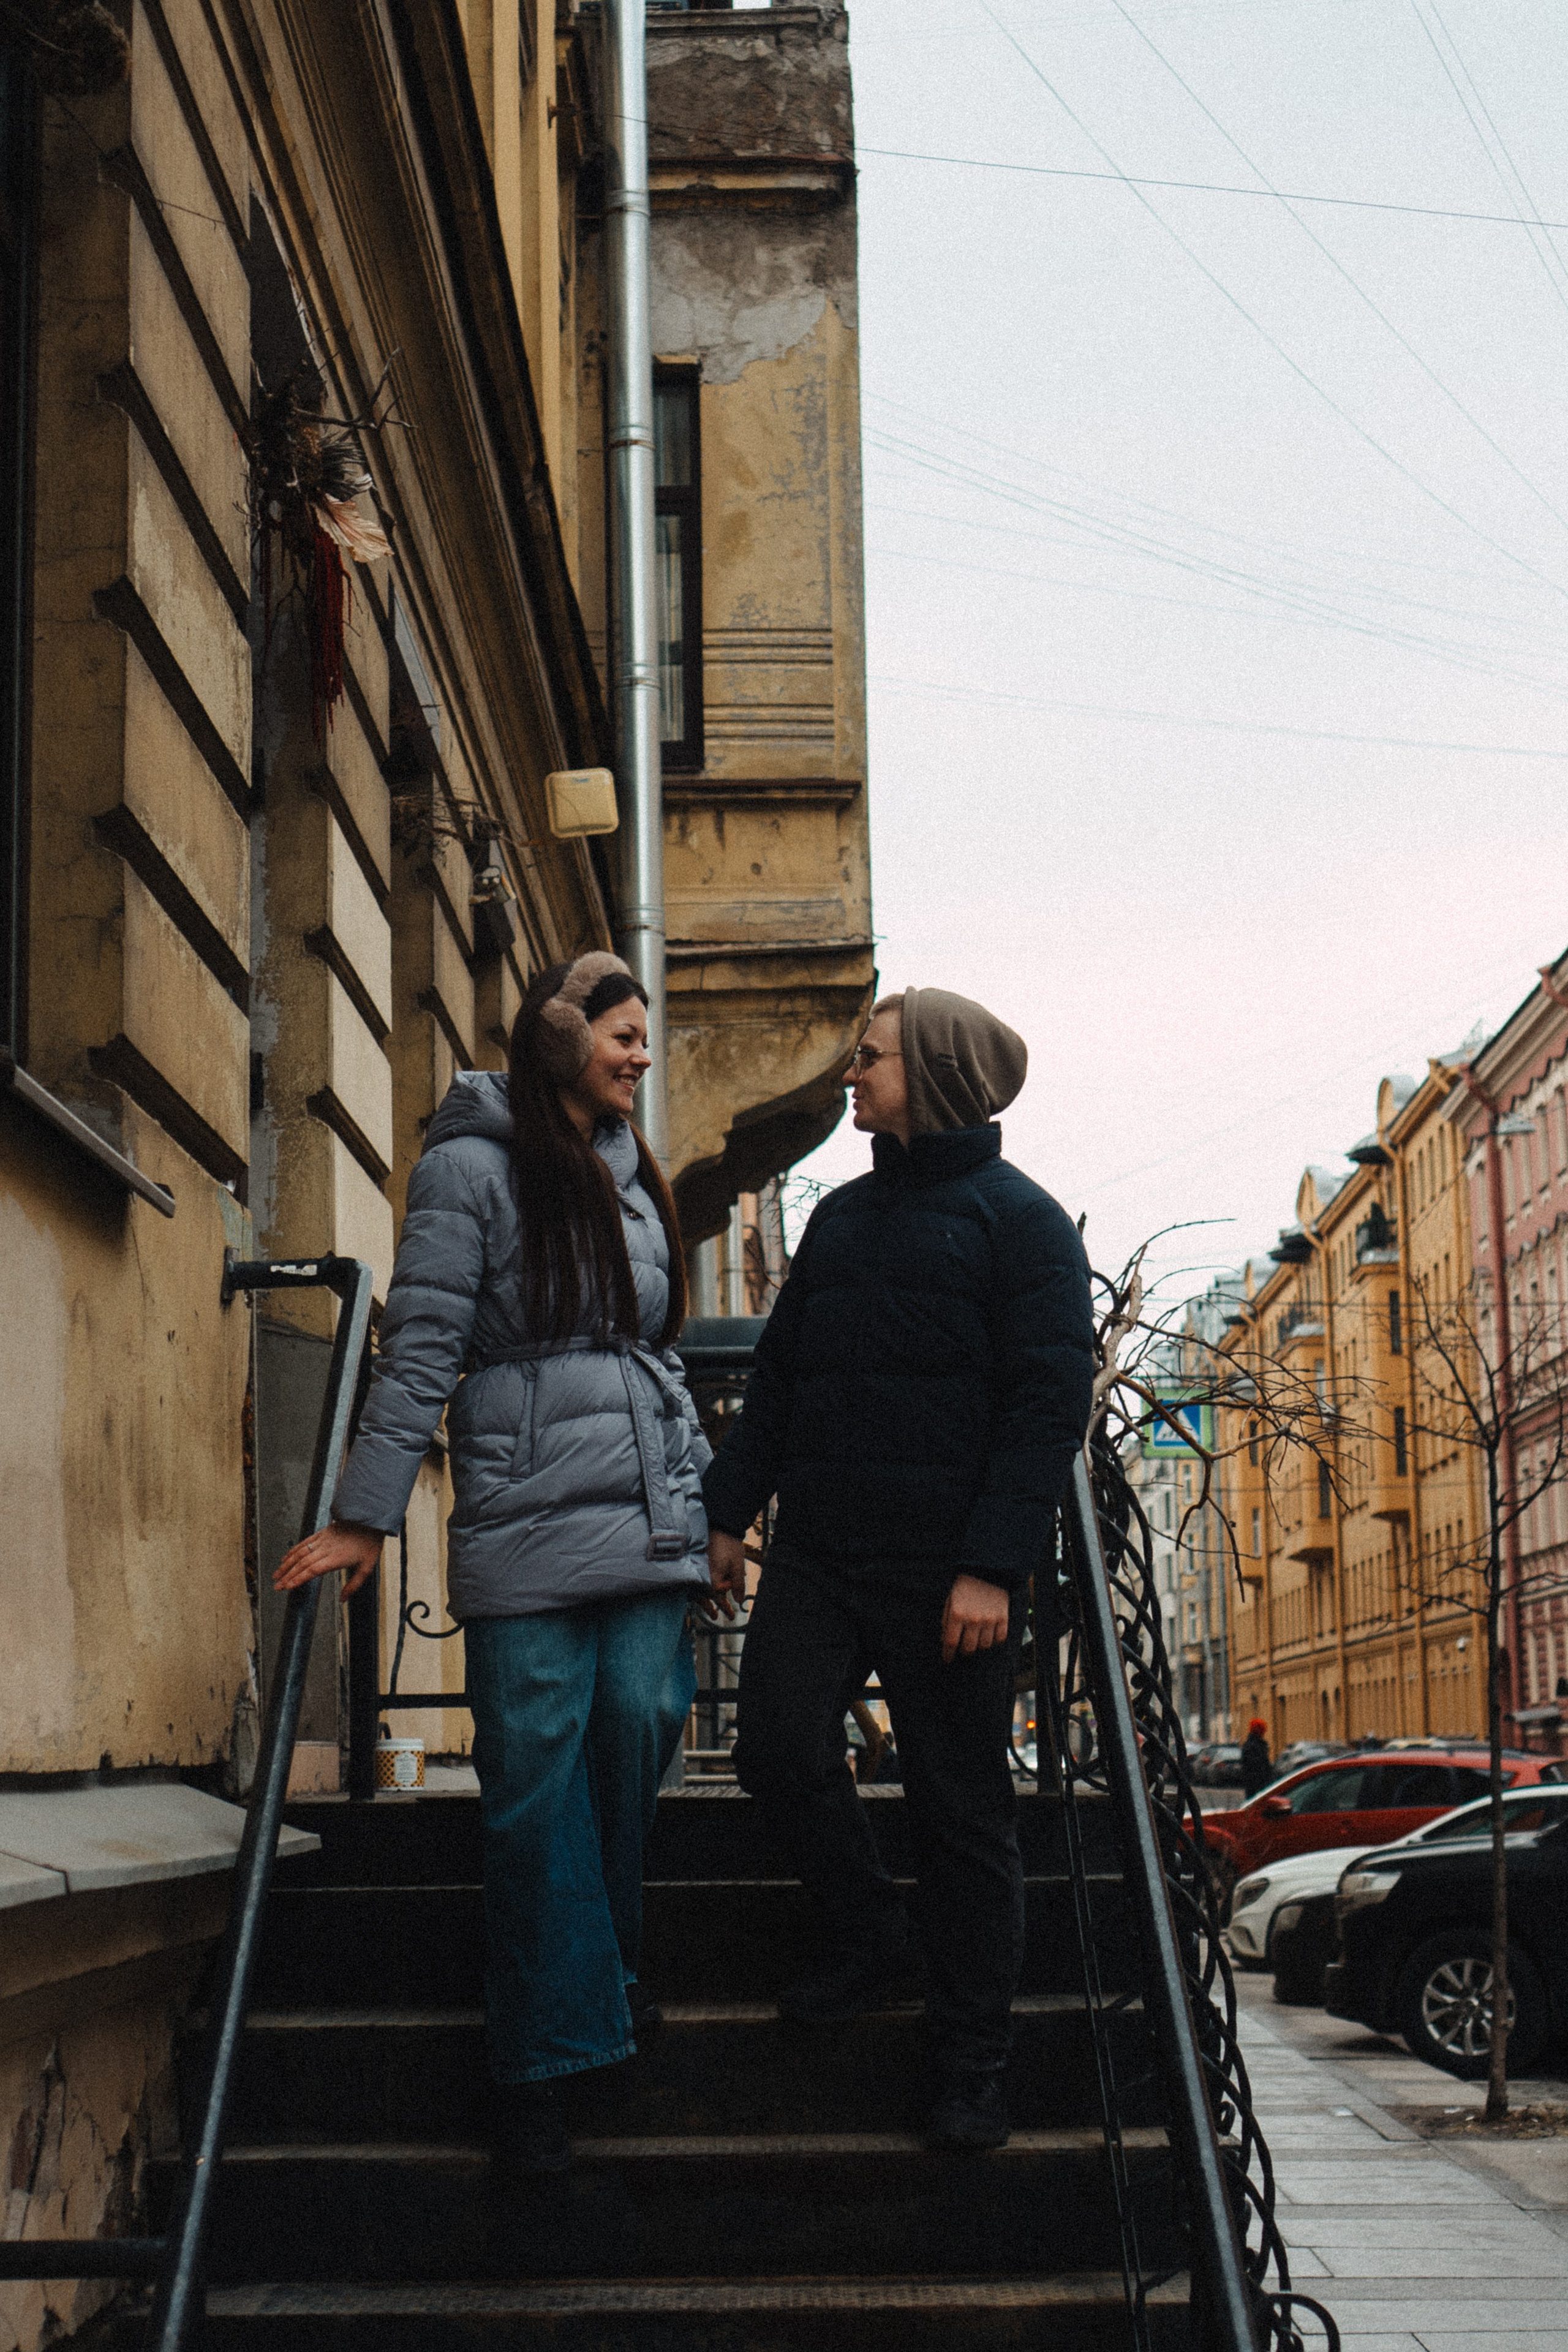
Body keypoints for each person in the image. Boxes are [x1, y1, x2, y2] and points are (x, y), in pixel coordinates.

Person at [273, 952, 744, 2176]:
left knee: (640, 1723)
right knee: (533, 1774)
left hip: (646, 1506)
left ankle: (608, 1975)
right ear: (557, 1038)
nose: (642, 1056)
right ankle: (540, 2057)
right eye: (622, 1035)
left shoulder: (637, 1172)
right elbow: (421, 1348)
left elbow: (658, 1349)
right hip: (525, 1512)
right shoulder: (465, 1168)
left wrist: (715, 1506)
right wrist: (366, 1513)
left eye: (645, 1038)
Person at [703, 987, 1095, 2152]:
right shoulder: (840, 1220)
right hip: (821, 1553)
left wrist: (991, 1566)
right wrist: (728, 1510)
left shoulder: (1021, 1223)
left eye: (867, 1059)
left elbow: (1046, 1406)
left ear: (933, 1073)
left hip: (948, 1579)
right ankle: (871, 1931)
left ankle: (972, 2064)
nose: (849, 1077)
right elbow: (779, 1383)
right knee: (775, 1747)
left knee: (963, 1816)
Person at [1240, 1719, 1273, 1796]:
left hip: (1253, 1784)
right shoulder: (1255, 1746)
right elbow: (1258, 1766)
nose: (1264, 1732)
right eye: (1263, 1730)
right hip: (1257, 1785)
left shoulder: (1250, 1745)